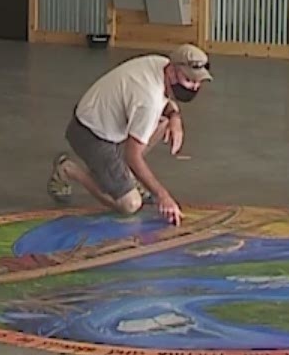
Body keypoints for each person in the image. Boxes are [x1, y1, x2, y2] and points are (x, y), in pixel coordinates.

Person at [48, 44, 212, 227]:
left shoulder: (162, 64)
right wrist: (163, 196)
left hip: (103, 121)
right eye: (189, 80)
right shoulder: (148, 100)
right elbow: (132, 156)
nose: (194, 86)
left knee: (163, 122)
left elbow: (165, 99)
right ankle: (68, 169)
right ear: (173, 72)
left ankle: (122, 176)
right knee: (130, 204)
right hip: (90, 135)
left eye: (198, 82)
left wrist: (175, 116)